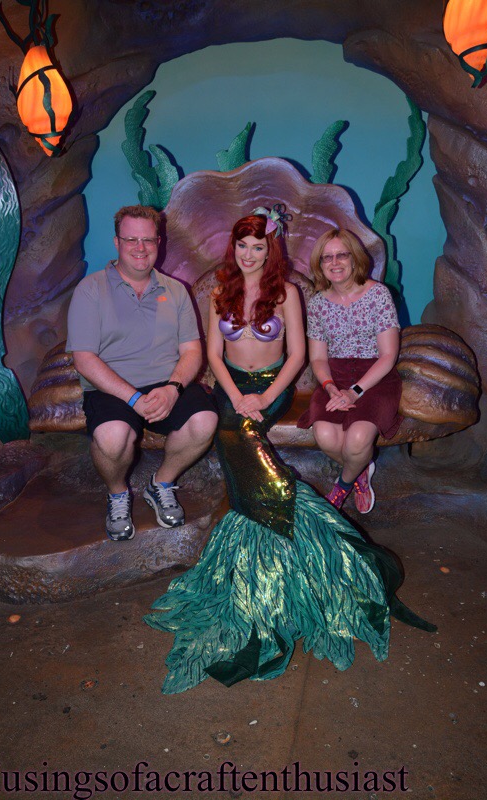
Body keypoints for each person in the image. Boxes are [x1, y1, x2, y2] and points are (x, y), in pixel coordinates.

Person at [144, 208, 435, 694]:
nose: (249, 254)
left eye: (258, 246)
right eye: (242, 245)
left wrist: (263, 397)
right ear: (233, 248)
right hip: (232, 389)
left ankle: (292, 550)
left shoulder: (288, 293)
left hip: (271, 387)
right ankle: (290, 546)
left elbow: (298, 354)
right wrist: (235, 396)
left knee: (243, 437)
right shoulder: (220, 291)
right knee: (233, 434)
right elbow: (213, 353)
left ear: (270, 249)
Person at [66, 205, 218, 540]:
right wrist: (133, 398)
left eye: (148, 240)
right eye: (131, 239)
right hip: (111, 387)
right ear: (117, 242)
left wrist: (174, 388)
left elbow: (192, 352)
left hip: (166, 383)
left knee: (205, 421)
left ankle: (161, 483)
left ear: (158, 243)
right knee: (112, 437)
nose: (140, 247)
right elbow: (85, 359)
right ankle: (118, 493)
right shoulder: (90, 290)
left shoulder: (176, 290)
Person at [297, 228, 403, 513]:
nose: (335, 262)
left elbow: (388, 355)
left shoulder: (378, 295)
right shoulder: (318, 304)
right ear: (320, 265)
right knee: (325, 436)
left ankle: (343, 485)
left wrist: (355, 392)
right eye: (327, 257)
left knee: (356, 440)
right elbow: (318, 358)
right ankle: (361, 468)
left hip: (375, 377)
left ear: (355, 258)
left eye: (341, 255)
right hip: (335, 376)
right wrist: (330, 387)